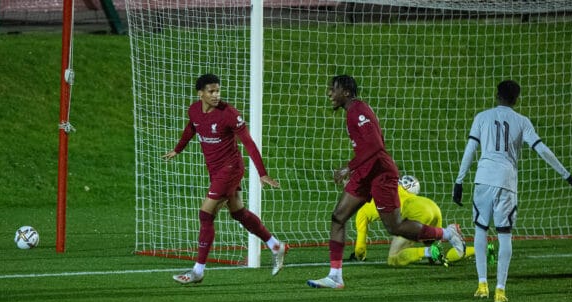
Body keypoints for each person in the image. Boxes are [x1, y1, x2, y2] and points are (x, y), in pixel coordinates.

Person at [307, 75, 466, 289]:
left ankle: (447, 233)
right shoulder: (353, 111)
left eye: (332, 89)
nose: (329, 94)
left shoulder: (358, 110)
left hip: (380, 172)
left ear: (346, 92)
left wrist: (348, 167)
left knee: (395, 226)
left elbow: (376, 146)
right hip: (365, 172)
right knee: (338, 217)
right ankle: (335, 276)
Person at [453, 80, 572, 302]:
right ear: (516, 98)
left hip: (482, 180)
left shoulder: (481, 117)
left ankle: (482, 285)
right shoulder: (522, 121)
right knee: (504, 234)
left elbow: (470, 149)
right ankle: (500, 290)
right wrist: (568, 176)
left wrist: (459, 181)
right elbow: (542, 150)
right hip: (506, 182)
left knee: (480, 230)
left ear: (497, 95)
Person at [162, 73, 288, 284]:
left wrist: (262, 173)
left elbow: (248, 143)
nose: (216, 95)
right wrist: (178, 149)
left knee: (206, 214)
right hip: (215, 169)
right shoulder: (194, 110)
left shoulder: (229, 114)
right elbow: (191, 128)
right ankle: (275, 245)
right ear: (200, 93)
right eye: (211, 91)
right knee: (238, 212)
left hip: (230, 169)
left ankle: (198, 270)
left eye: (218, 90)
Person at [349, 175, 476, 266]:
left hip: (416, 211)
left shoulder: (363, 208)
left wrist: (358, 256)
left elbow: (360, 249)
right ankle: (480, 249)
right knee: (438, 259)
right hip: (432, 206)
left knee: (393, 259)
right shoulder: (406, 194)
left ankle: (432, 248)